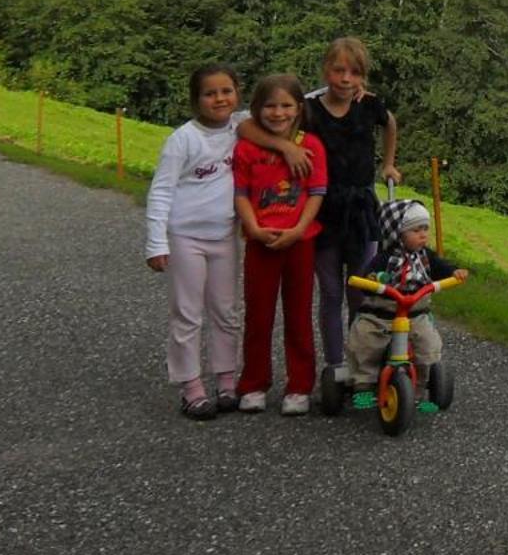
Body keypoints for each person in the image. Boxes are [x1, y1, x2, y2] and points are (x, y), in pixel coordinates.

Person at [239, 36, 399, 394]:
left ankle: (362, 360)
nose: (345, 79)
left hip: (361, 211)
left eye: (354, 73)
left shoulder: (370, 105)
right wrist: (283, 146)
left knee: (361, 289)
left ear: (363, 76)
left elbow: (391, 123)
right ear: (325, 70)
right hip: (322, 211)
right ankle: (335, 365)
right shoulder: (309, 108)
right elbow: (245, 126)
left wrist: (388, 163)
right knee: (329, 292)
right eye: (338, 70)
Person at [145, 64, 244, 421]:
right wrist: (156, 243)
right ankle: (191, 388)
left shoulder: (240, 127)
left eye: (226, 91)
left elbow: (286, 99)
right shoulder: (182, 139)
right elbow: (161, 191)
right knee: (187, 314)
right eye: (210, 93)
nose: (219, 98)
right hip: (185, 237)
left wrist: (341, 89)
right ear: (195, 99)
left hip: (224, 237)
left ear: (237, 93)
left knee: (226, 312)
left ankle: (227, 381)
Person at [231, 74, 328, 415]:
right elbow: (240, 193)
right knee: (258, 316)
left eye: (286, 105)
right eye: (270, 106)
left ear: (299, 109)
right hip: (260, 242)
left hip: (300, 242)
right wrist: (253, 228)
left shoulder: (312, 146)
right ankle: (253, 384)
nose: (278, 113)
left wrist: (299, 229)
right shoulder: (246, 148)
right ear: (256, 110)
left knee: (298, 315)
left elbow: (316, 193)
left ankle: (299, 386)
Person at [346, 201, 467, 411]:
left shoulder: (425, 257)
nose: (422, 235)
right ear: (397, 234)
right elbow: (367, 279)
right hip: (381, 312)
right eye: (415, 230)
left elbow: (441, 268)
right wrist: (372, 280)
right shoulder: (384, 258)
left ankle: (419, 390)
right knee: (364, 340)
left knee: (428, 345)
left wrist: (454, 272)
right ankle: (363, 384)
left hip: (415, 312)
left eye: (425, 229)